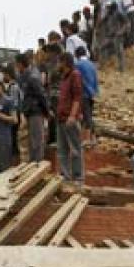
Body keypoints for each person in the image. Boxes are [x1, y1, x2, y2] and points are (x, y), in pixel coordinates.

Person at [55, 52, 85, 185]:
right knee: (62, 150)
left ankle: (78, 177)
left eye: (59, 62)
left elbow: (77, 98)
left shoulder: (75, 75)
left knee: (75, 149)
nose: (57, 65)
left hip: (69, 119)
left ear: (65, 62)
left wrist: (73, 116)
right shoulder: (64, 78)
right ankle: (65, 176)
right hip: (61, 119)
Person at [16, 51, 49, 162]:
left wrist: (46, 112)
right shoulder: (23, 77)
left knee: (37, 140)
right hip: (29, 111)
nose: (16, 67)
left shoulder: (32, 77)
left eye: (17, 64)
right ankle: (33, 163)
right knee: (31, 141)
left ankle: (38, 164)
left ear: (20, 64)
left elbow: (41, 94)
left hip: (36, 111)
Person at [74, 46, 99, 143]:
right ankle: (92, 137)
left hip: (83, 93)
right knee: (89, 115)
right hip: (92, 93)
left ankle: (87, 139)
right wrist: (95, 92)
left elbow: (80, 80)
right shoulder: (92, 64)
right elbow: (96, 79)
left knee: (85, 116)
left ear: (76, 55)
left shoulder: (78, 65)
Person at [1, 65, 23, 164]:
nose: (3, 77)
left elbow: (14, 103)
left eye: (4, 75)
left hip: (13, 115)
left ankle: (14, 162)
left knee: (13, 139)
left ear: (8, 75)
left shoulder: (13, 87)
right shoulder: (13, 86)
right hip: (14, 115)